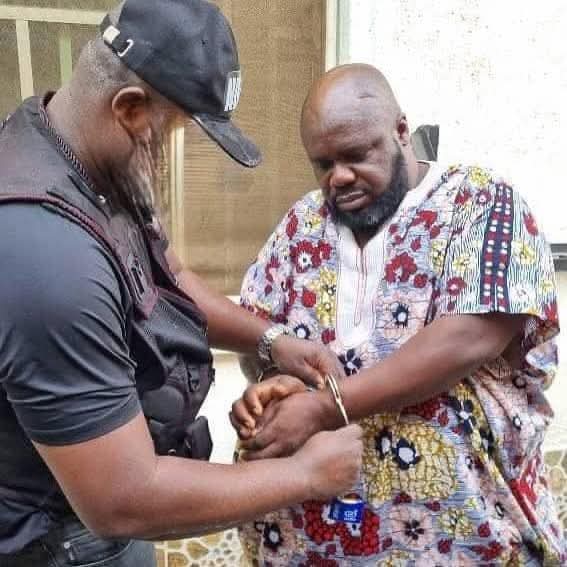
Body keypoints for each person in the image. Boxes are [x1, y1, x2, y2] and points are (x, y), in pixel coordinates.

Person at [0, 2, 363, 566]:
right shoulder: (48, 257)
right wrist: (307, 475)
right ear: (128, 109)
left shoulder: (78, 155)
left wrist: (269, 340)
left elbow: (167, 275)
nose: (172, 156)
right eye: (175, 131)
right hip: (58, 543)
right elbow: (122, 499)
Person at [231, 63, 565, 565]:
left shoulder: (478, 201)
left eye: (355, 155)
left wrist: (325, 408)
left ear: (401, 131)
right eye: (323, 163)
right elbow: (259, 331)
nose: (339, 176)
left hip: (464, 542)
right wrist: (271, 384)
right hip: (311, 544)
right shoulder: (301, 224)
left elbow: (470, 337)